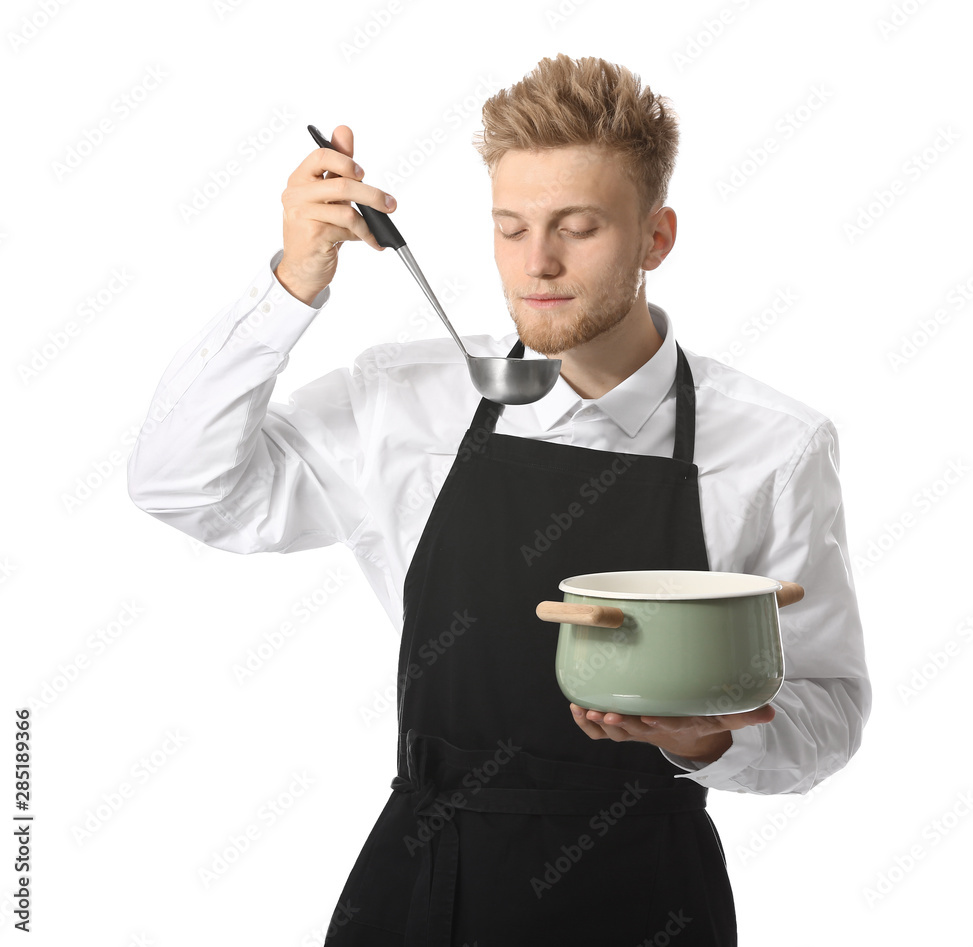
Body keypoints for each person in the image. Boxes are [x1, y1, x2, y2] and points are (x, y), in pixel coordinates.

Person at [127, 54, 871, 947]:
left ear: (656, 239)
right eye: (510, 227)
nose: (537, 263)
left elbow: (828, 712)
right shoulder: (405, 400)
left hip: (649, 897)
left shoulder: (773, 445)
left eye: (578, 227)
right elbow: (180, 482)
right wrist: (294, 279)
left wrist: (704, 739)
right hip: (424, 890)